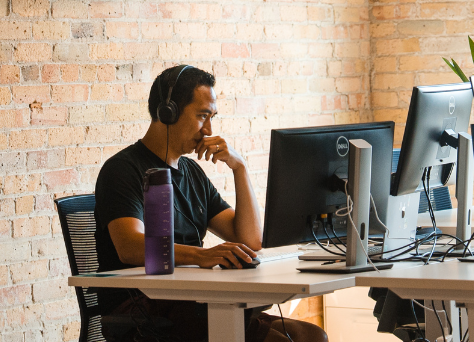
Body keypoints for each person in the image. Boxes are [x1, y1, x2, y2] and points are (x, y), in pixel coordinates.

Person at [94, 64, 328, 342]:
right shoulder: (123, 169)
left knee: (313, 336)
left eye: (212, 117)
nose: (208, 130)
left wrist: (239, 167)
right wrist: (202, 255)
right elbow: (130, 247)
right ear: (166, 112)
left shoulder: (192, 173)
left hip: (193, 300)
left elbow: (250, 239)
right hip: (143, 309)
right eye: (202, 116)